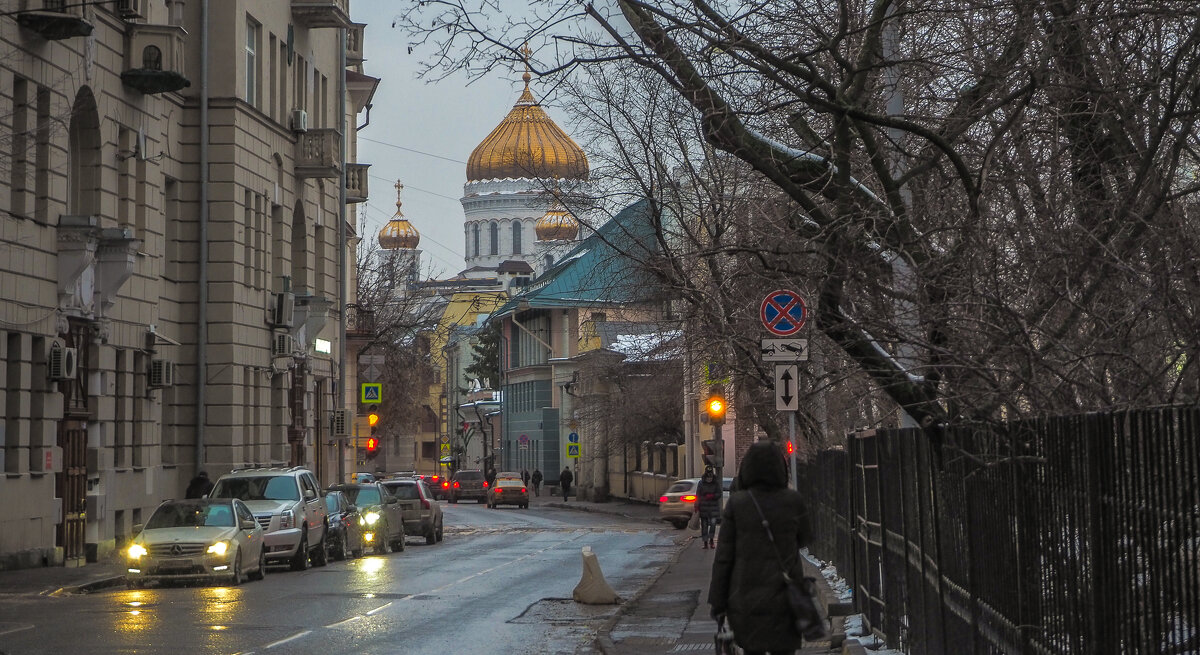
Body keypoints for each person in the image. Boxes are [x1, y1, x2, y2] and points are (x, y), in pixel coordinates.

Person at [709, 441, 812, 655]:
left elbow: (724, 558)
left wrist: (718, 603)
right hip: (786, 599)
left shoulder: (737, 504)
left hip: (746, 599)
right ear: (780, 469)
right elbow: (805, 539)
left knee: (752, 649)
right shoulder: (793, 501)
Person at [696, 466, 722, 549]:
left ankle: (711, 539)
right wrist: (696, 505)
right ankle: (705, 542)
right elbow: (698, 495)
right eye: (708, 475)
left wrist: (712, 496)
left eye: (710, 475)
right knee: (704, 525)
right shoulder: (701, 483)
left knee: (713, 524)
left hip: (713, 507)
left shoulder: (716, 483)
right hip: (704, 508)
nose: (709, 477)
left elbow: (719, 493)